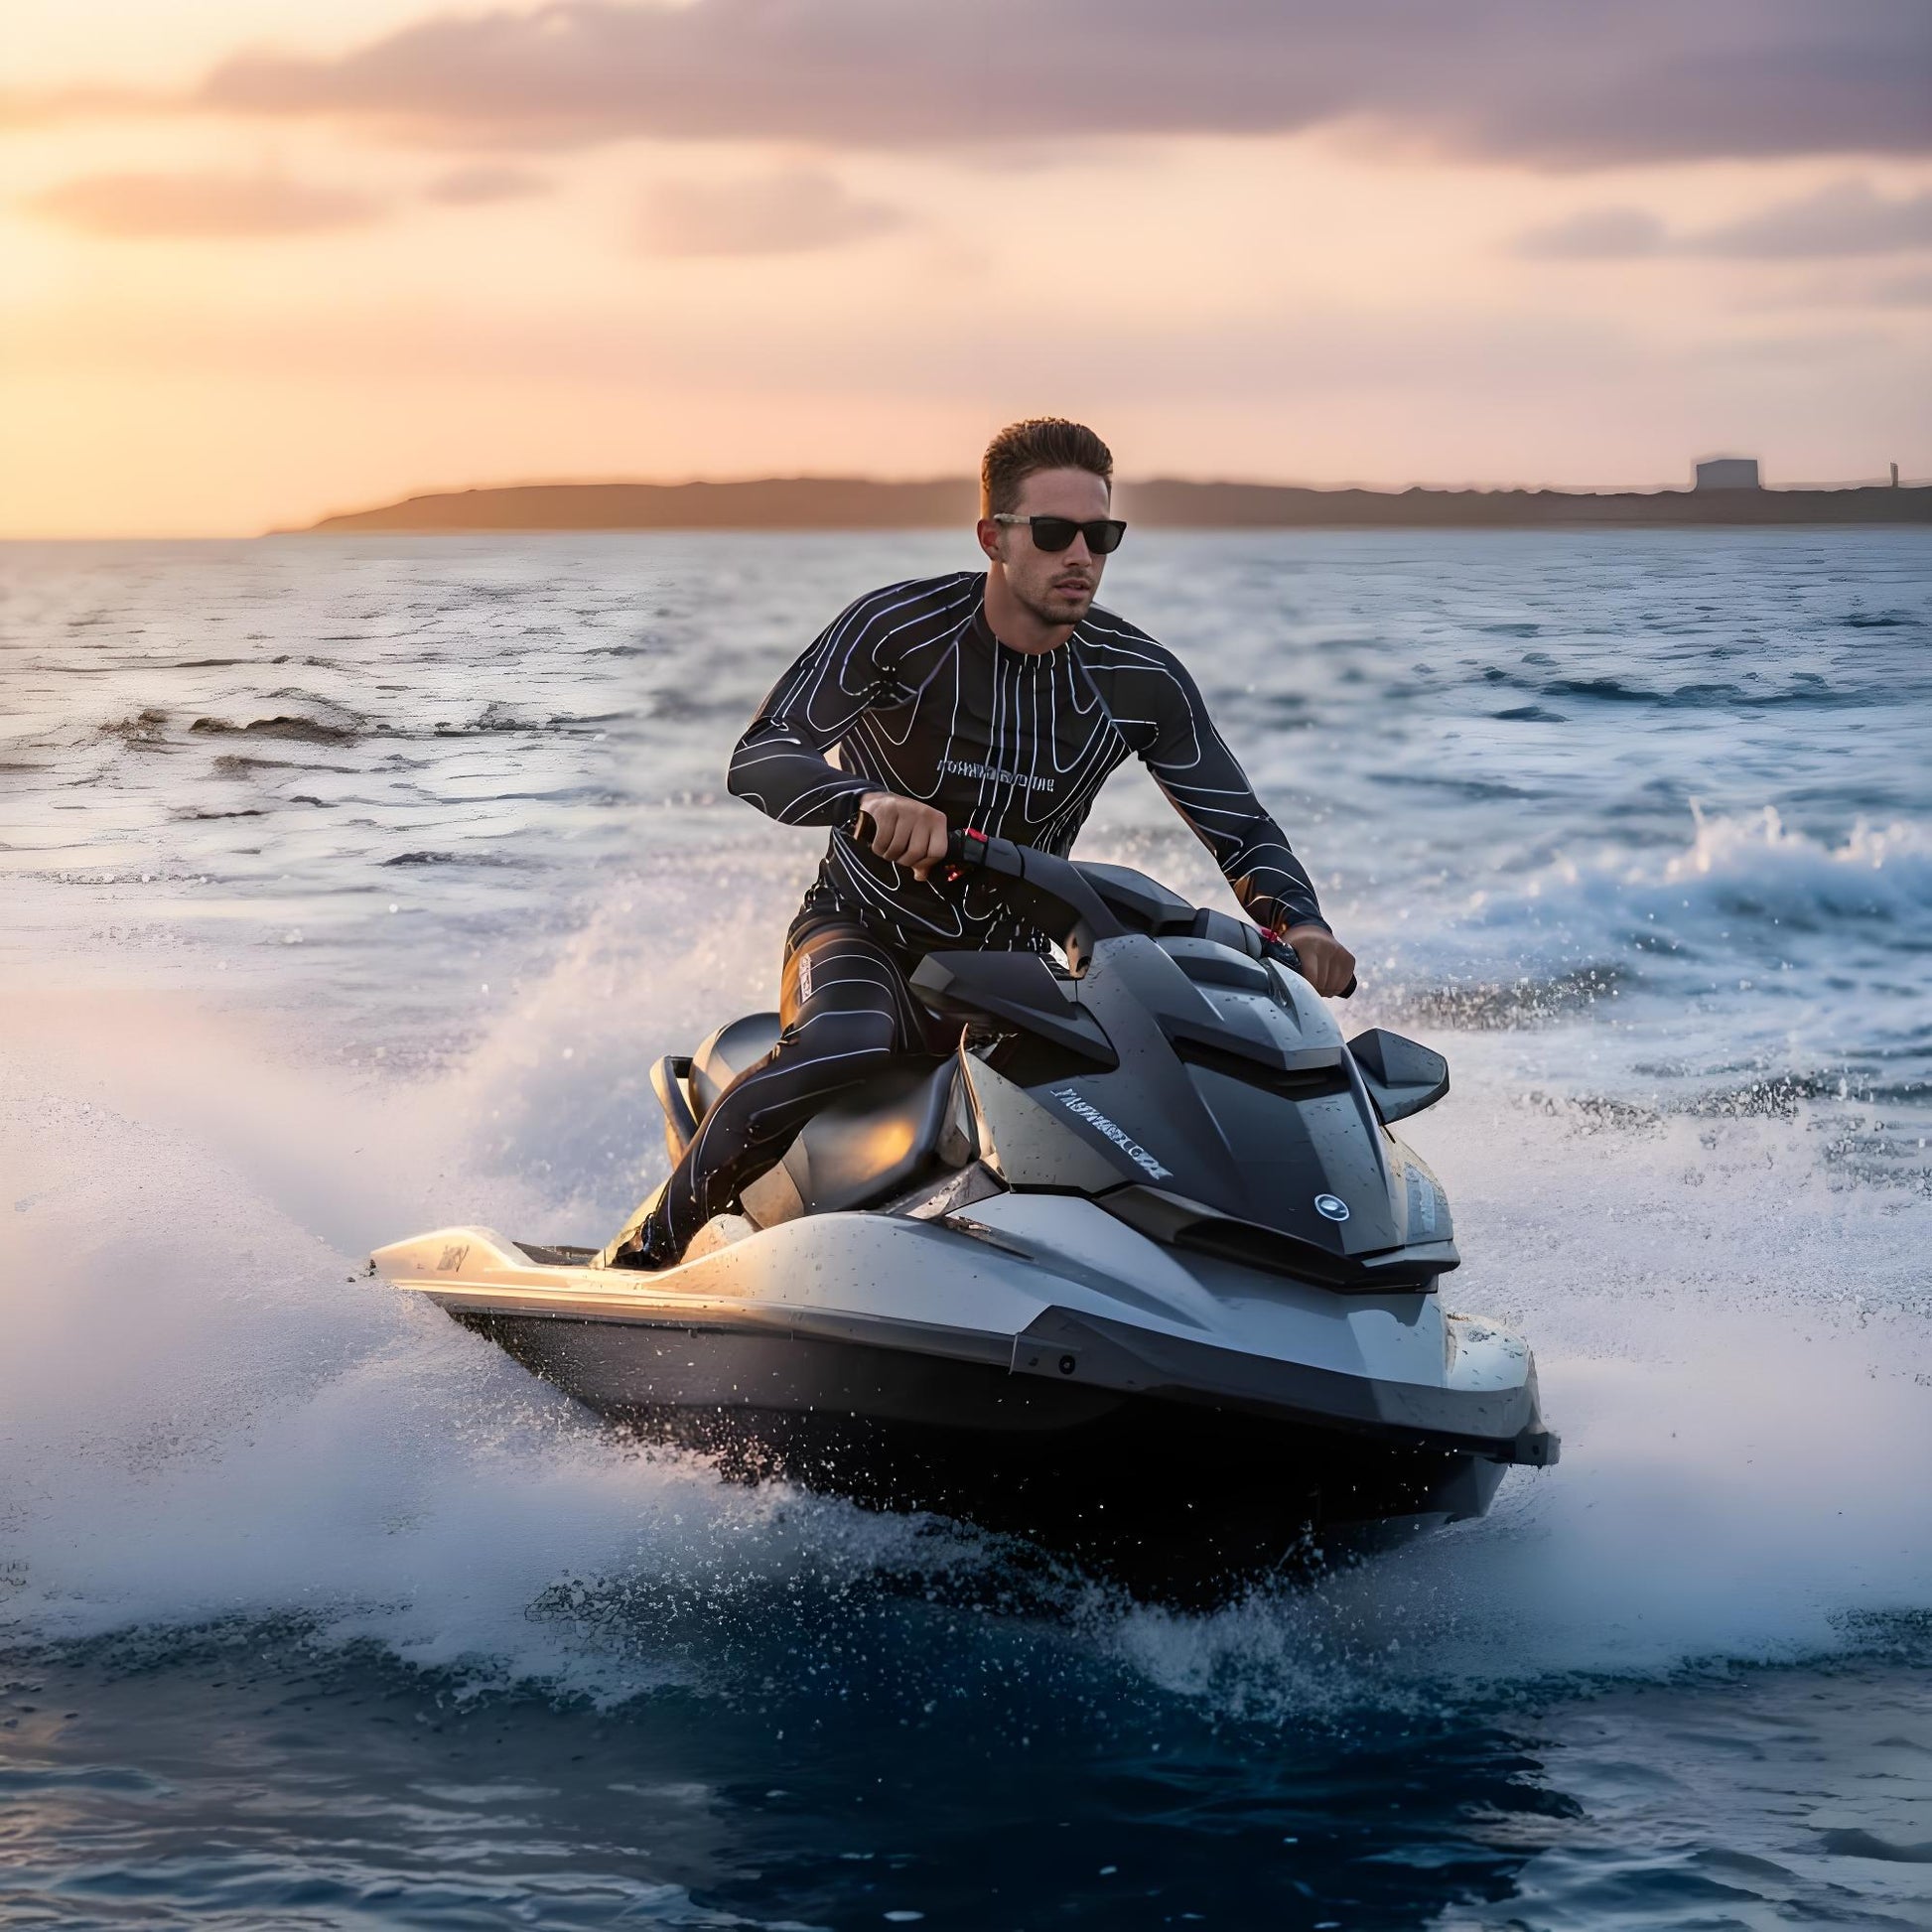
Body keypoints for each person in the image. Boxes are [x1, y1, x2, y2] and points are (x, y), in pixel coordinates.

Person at [604, 417, 1355, 1269]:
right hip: (864, 933)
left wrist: (1301, 925)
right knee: (847, 1038)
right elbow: (762, 755)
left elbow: (1240, 825)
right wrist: (865, 800)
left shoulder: (1137, 677)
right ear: (993, 537)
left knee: (1158, 1085)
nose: (1082, 556)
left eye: (1102, 535)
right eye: (1055, 532)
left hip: (1011, 969)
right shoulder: (899, 629)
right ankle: (645, 1255)